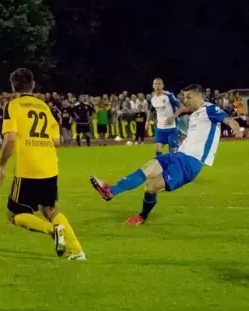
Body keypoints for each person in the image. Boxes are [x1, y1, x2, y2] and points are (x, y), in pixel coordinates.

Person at [89, 84, 243, 225]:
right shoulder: (196, 113)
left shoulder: (210, 109)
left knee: (151, 186)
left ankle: (142, 216)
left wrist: (236, 129)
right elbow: (185, 110)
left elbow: (229, 119)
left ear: (200, 96)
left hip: (190, 164)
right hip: (178, 156)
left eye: (189, 97)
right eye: (184, 97)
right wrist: (176, 114)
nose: (185, 100)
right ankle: (111, 191)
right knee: (147, 168)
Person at [0, 68, 85, 260]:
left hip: (28, 167)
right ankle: (77, 251)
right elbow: (57, 141)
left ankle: (52, 230)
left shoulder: (13, 106)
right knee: (49, 209)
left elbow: (10, 139)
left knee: (14, 214)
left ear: (13, 86)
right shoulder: (44, 107)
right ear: (33, 85)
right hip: (50, 165)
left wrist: (1, 166)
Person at [150, 78, 187, 156]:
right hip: (160, 129)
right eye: (156, 84)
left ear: (163, 85)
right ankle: (161, 167)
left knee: (173, 153)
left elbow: (182, 107)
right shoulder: (153, 98)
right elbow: (151, 110)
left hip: (171, 128)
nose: (157, 86)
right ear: (153, 86)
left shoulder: (168, 95)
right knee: (157, 150)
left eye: (159, 84)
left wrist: (173, 117)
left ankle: (176, 164)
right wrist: (148, 121)